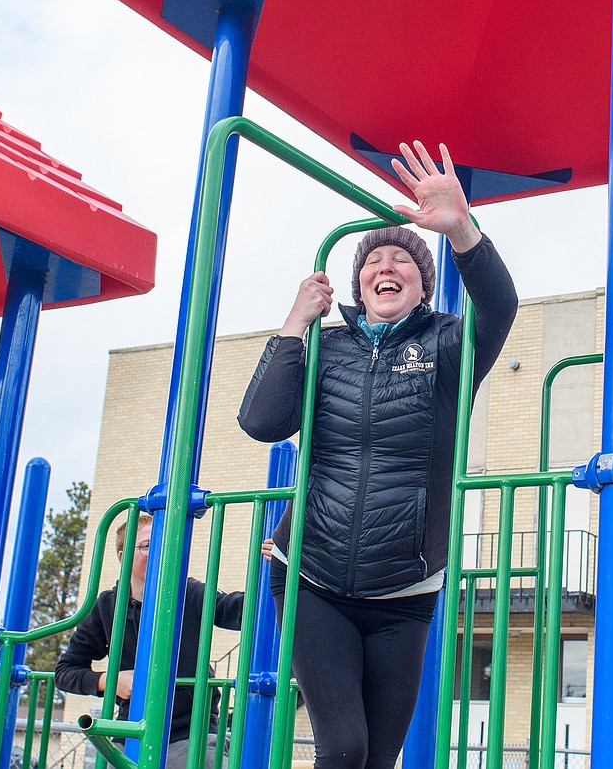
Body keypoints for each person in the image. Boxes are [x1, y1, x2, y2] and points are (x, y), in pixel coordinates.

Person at [237, 141, 518, 769]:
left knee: (378, 758)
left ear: (423, 285)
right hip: (314, 575)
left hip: (405, 590)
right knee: (344, 747)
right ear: (360, 283)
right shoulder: (327, 347)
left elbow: (500, 306)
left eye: (404, 260)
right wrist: (293, 325)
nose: (386, 267)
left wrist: (461, 228)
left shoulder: (450, 346)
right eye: (375, 261)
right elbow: (261, 421)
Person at [54, 512, 245, 769]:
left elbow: (240, 610)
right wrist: (108, 681)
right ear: (123, 557)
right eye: (146, 546)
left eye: (163, 544)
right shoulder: (109, 606)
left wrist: (277, 571)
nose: (157, 552)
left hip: (191, 731)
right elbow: (65, 671)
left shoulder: (189, 594)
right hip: (132, 732)